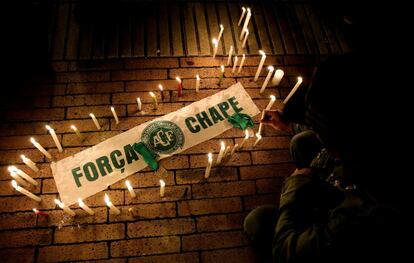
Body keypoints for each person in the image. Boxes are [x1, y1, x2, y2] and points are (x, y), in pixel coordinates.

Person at [243, 52, 407, 262]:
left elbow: (287, 250)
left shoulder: (360, 216)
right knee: (302, 141)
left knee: (259, 221)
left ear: (343, 145)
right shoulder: (369, 137)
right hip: (342, 184)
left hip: (339, 228)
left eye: (326, 139)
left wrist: (296, 185)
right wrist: (288, 125)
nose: (321, 140)